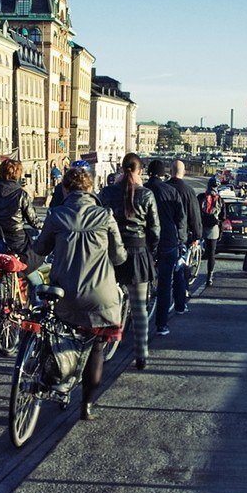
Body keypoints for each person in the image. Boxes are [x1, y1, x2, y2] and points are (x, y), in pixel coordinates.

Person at [34, 168, 126, 419]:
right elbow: (119, 257)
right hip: (100, 297)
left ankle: (57, 381)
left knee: (60, 334)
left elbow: (40, 248)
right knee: (97, 348)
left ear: (65, 189)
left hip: (65, 295)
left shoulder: (56, 215)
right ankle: (86, 405)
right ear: (90, 189)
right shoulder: (105, 216)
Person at [99, 153, 159, 369]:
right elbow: (155, 230)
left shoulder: (107, 193)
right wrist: (151, 253)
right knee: (139, 308)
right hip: (138, 253)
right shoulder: (146, 195)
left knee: (105, 301)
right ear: (139, 171)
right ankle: (141, 354)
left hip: (111, 253)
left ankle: (102, 346)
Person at [145, 160, 183, 335]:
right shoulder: (171, 191)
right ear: (163, 173)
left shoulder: (143, 191)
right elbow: (180, 220)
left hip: (145, 242)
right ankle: (161, 325)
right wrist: (181, 240)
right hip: (167, 242)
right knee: (164, 285)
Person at [0, 158, 43, 272]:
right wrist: (46, 225)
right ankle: (36, 288)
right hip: (17, 241)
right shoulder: (20, 194)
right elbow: (33, 220)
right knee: (32, 265)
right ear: (17, 174)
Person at [166, 159, 203, 313]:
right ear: (184, 172)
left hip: (165, 234)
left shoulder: (165, 188)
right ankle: (180, 304)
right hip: (183, 236)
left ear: (170, 170)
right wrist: (197, 235)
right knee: (180, 270)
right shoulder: (188, 191)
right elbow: (194, 215)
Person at [197, 176, 227, 287]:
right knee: (211, 253)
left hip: (201, 226)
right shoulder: (220, 199)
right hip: (213, 229)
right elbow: (223, 216)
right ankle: (209, 276)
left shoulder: (201, 197)